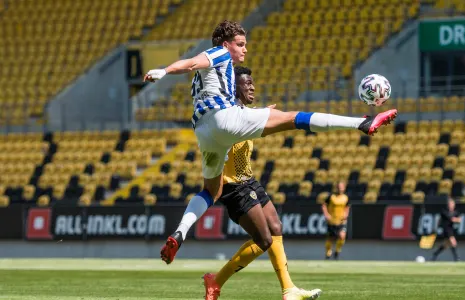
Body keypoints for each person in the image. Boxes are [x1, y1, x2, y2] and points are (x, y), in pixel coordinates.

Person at [143, 20, 398, 265]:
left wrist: (259, 113)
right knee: (293, 118)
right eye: (240, 44)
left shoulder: (205, 78)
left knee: (211, 191)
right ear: (225, 44)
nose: (245, 49)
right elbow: (191, 63)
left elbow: (208, 85)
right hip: (225, 119)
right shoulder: (218, 54)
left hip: (204, 131)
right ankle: (362, 123)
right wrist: (164, 71)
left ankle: (180, 233)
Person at [201, 66, 321, 300]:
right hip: (234, 186)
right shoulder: (225, 116)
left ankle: (288, 290)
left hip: (249, 180)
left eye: (252, 83)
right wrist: (263, 115)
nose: (252, 87)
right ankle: (215, 281)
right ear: (234, 87)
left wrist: (262, 113)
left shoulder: (245, 112)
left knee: (276, 227)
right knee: (264, 239)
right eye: (247, 83)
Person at [321, 182, 349, 260]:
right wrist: (326, 214)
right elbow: (324, 205)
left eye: (341, 187)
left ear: (344, 188)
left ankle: (337, 250)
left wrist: (346, 214)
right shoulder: (331, 197)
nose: (340, 188)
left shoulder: (345, 197)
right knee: (330, 238)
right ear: (336, 188)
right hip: (332, 221)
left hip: (341, 221)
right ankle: (328, 252)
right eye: (338, 187)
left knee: (342, 236)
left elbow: (347, 207)